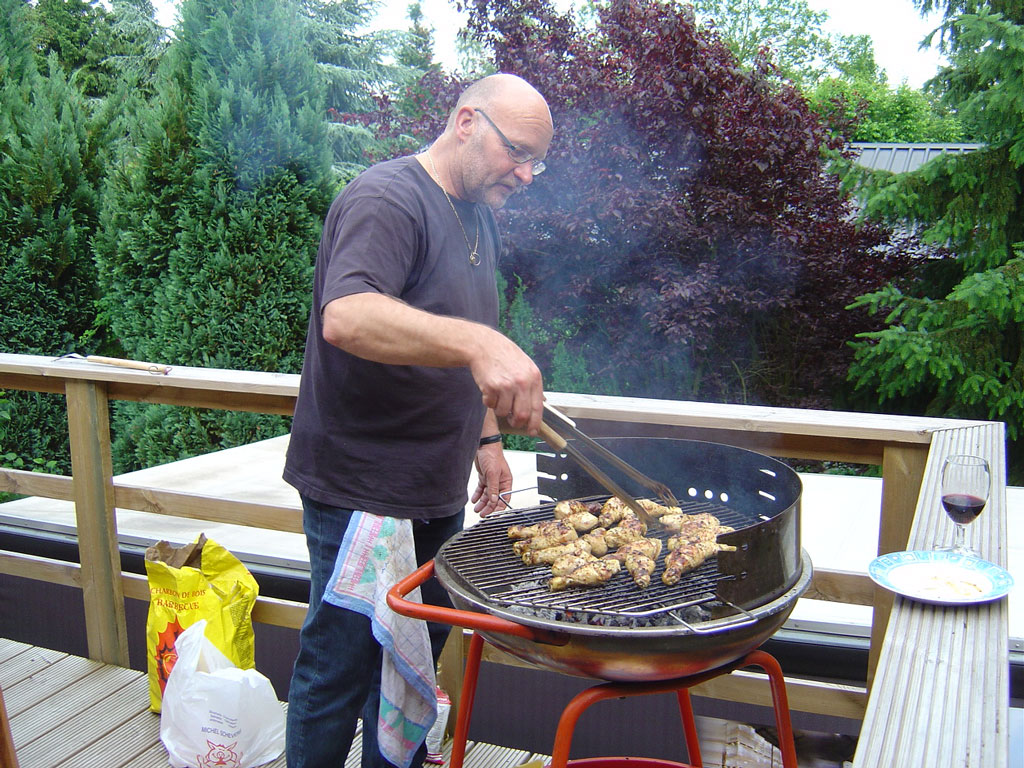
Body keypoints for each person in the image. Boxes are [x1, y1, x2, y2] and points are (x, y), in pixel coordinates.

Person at [282, 73, 554, 768]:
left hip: (434, 488)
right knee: (338, 668)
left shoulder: (479, 216)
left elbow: (462, 346)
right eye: (517, 152)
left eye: (537, 161)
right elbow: (347, 316)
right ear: (467, 121)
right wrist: (478, 343)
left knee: (408, 669)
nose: (526, 174)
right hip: (361, 490)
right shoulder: (387, 198)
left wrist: (487, 438)